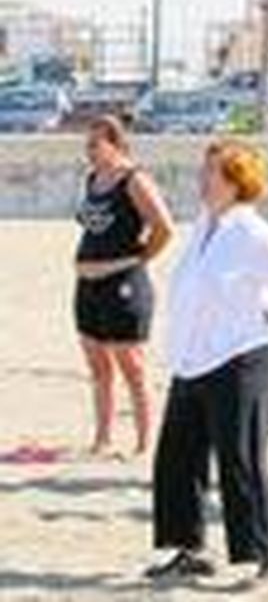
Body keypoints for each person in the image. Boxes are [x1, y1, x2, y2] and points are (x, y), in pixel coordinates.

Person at [147, 140, 268, 585]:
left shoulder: (252, 231)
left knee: (241, 456)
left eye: (212, 173)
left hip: (246, 356)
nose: (202, 180)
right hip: (195, 358)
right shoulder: (205, 225)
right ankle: (187, 550)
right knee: (177, 456)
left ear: (237, 182)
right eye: (203, 170)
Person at [73, 115, 176, 458]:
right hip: (87, 285)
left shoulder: (134, 179)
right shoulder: (93, 179)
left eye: (95, 144)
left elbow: (164, 227)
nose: (89, 150)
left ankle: (144, 443)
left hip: (122, 283)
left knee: (132, 367)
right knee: (98, 367)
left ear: (116, 144)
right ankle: (102, 438)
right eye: (87, 143)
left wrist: (140, 258)